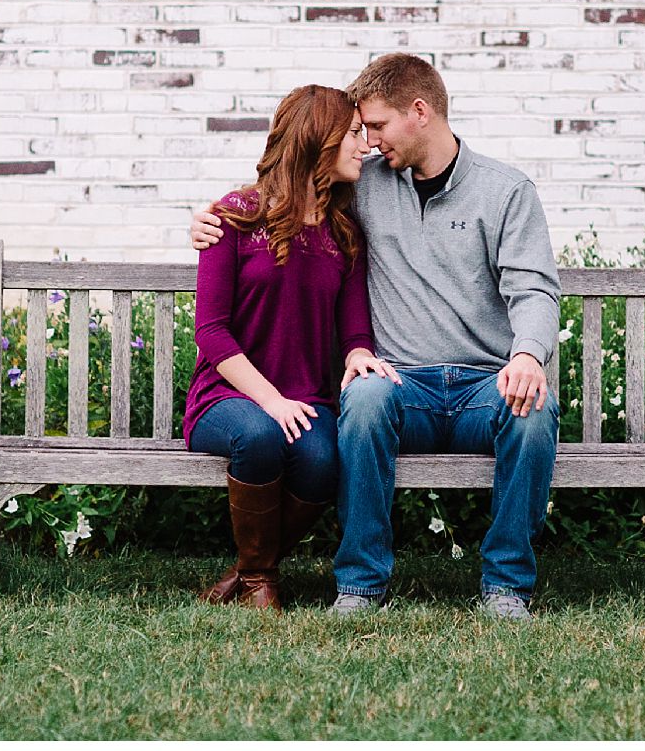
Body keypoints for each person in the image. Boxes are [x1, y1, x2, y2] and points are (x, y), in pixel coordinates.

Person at [192, 53, 561, 621]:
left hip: (485, 384)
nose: (367, 142)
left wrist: (529, 356)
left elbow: (534, 289)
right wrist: (212, 220)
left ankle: (506, 586)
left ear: (420, 112)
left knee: (533, 409)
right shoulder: (365, 187)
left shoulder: (505, 191)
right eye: (359, 131)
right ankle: (359, 586)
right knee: (363, 399)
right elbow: (292, 192)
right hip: (400, 383)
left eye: (378, 126)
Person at [183, 84, 387, 612]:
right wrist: (271, 401)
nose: (365, 145)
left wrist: (359, 355)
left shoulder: (344, 233)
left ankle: (245, 572)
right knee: (259, 435)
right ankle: (260, 585)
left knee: (322, 459)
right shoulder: (234, 217)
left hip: (306, 399)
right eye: (353, 134)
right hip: (226, 395)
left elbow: (354, 331)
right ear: (319, 140)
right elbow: (211, 330)